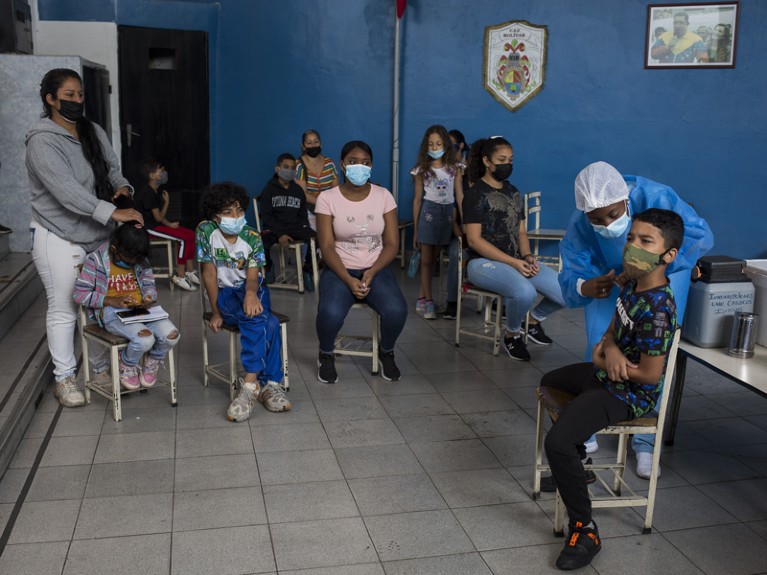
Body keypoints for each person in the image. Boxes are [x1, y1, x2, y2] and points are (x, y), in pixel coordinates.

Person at [543, 208, 682, 571]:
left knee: (556, 442)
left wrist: (604, 359)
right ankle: (578, 468)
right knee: (550, 381)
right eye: (632, 238)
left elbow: (651, 376)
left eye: (646, 241)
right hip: (606, 372)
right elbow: (612, 329)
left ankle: (585, 529)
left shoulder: (659, 310)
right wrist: (610, 348)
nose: (633, 246)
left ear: (669, 255)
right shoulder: (631, 282)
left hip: (626, 393)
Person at [558, 161, 713, 477]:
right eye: (597, 220)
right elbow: (573, 265)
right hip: (612, 278)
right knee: (598, 341)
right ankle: (587, 429)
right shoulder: (581, 220)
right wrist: (585, 285)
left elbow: (697, 234)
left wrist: (651, 268)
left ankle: (644, 441)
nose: (607, 224)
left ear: (626, 202)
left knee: (655, 356)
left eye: (614, 216)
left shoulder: (653, 196)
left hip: (661, 274)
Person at [27, 68, 144, 408]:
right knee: (64, 306)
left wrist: (122, 188)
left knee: (98, 305)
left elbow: (111, 167)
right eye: (69, 95)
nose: (77, 101)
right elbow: (66, 194)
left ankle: (101, 370)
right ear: (50, 99)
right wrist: (113, 213)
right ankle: (64, 379)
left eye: (80, 94)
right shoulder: (42, 141)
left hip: (96, 233)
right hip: (58, 234)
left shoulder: (90, 130)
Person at [462, 136, 566, 361]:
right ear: (487, 161)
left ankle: (533, 322)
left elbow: (520, 232)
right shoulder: (475, 194)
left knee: (564, 291)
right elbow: (474, 241)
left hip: (515, 261)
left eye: (510, 159)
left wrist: (527, 256)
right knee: (524, 292)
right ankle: (512, 334)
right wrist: (513, 262)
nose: (507, 164)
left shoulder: (514, 192)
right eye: (501, 159)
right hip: (481, 263)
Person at [196, 182, 291, 421]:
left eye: (239, 210)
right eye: (227, 212)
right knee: (265, 322)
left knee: (259, 317)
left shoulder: (251, 236)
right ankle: (265, 384)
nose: (235, 217)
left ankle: (253, 385)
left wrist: (250, 293)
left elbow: (253, 276)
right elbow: (208, 274)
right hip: (225, 293)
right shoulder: (206, 232)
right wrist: (215, 311)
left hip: (250, 289)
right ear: (214, 215)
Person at [315, 140, 407, 383]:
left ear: (371, 167)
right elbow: (326, 246)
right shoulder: (327, 198)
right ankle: (325, 353)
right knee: (330, 313)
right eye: (353, 162)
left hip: (376, 268)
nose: (359, 167)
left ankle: (386, 351)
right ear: (342, 165)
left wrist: (373, 271)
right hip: (339, 268)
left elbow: (391, 243)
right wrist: (347, 278)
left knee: (396, 310)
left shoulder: (383, 196)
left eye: (365, 163)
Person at [73, 220, 179, 389]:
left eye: (136, 261)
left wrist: (149, 296)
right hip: (112, 312)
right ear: (115, 249)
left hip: (141, 310)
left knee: (171, 335)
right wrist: (110, 300)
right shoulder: (96, 260)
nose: (133, 264)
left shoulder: (139, 259)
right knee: (145, 340)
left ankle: (153, 360)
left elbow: (148, 282)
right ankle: (127, 363)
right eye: (129, 262)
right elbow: (79, 294)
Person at [411, 125, 463, 319]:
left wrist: (465, 222)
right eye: (431, 144)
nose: (435, 147)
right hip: (428, 214)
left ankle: (421, 298)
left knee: (433, 260)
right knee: (425, 260)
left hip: (447, 216)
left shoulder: (455, 169)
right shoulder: (421, 170)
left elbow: (460, 195)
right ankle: (429, 302)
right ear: (426, 146)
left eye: (439, 143)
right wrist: (416, 230)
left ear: (446, 145)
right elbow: (417, 200)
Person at [134, 158, 199, 291]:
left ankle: (190, 271)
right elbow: (157, 218)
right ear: (152, 176)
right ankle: (180, 275)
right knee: (183, 238)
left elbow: (158, 217)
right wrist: (167, 203)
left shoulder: (154, 190)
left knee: (191, 234)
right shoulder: (147, 193)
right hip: (148, 229)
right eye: (161, 171)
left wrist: (169, 224)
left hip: (155, 225)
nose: (165, 173)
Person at [259, 153, 316, 290]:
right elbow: (266, 216)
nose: (289, 171)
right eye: (286, 167)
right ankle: (268, 267)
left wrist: (303, 228)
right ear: (277, 169)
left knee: (316, 238)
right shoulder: (268, 190)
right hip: (274, 228)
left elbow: (302, 215)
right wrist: (280, 234)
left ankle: (307, 270)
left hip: (294, 227)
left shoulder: (298, 191)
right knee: (260, 242)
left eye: (292, 168)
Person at [295, 129, 340, 230]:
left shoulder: (329, 163)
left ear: (320, 143)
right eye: (309, 143)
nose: (313, 145)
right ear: (303, 146)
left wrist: (330, 206)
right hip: (309, 210)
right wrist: (322, 203)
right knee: (318, 234)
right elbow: (302, 194)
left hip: (330, 209)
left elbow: (336, 190)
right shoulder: (299, 165)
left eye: (316, 142)